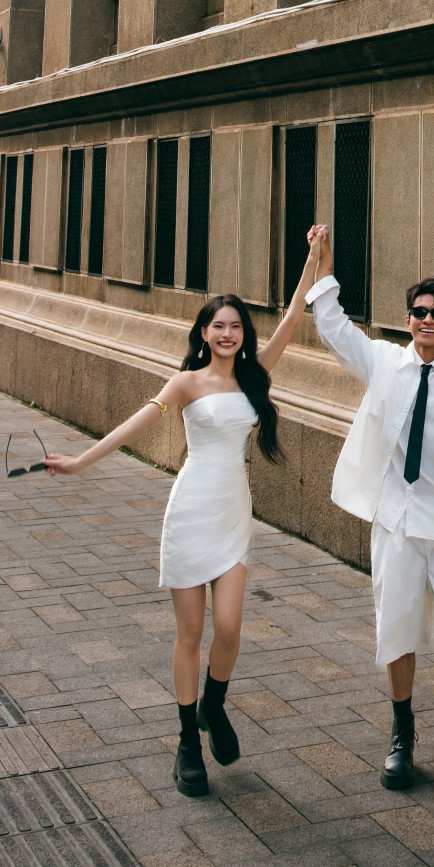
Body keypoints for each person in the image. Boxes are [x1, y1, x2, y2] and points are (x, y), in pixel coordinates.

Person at [45, 245, 322, 796]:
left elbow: (293, 317)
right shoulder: (186, 384)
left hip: (232, 514)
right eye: (218, 326)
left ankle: (213, 707)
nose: (227, 334)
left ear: (244, 334)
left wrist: (314, 257)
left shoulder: (255, 375)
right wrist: (79, 462)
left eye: (236, 326)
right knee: (191, 633)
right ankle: (187, 743)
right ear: (203, 333)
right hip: (191, 512)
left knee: (230, 628)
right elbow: (134, 425)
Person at [304, 224, 434, 813]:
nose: (427, 320)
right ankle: (402, 734)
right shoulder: (385, 364)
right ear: (408, 318)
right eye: (419, 312)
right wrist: (324, 265)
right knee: (395, 630)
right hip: (397, 523)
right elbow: (333, 326)